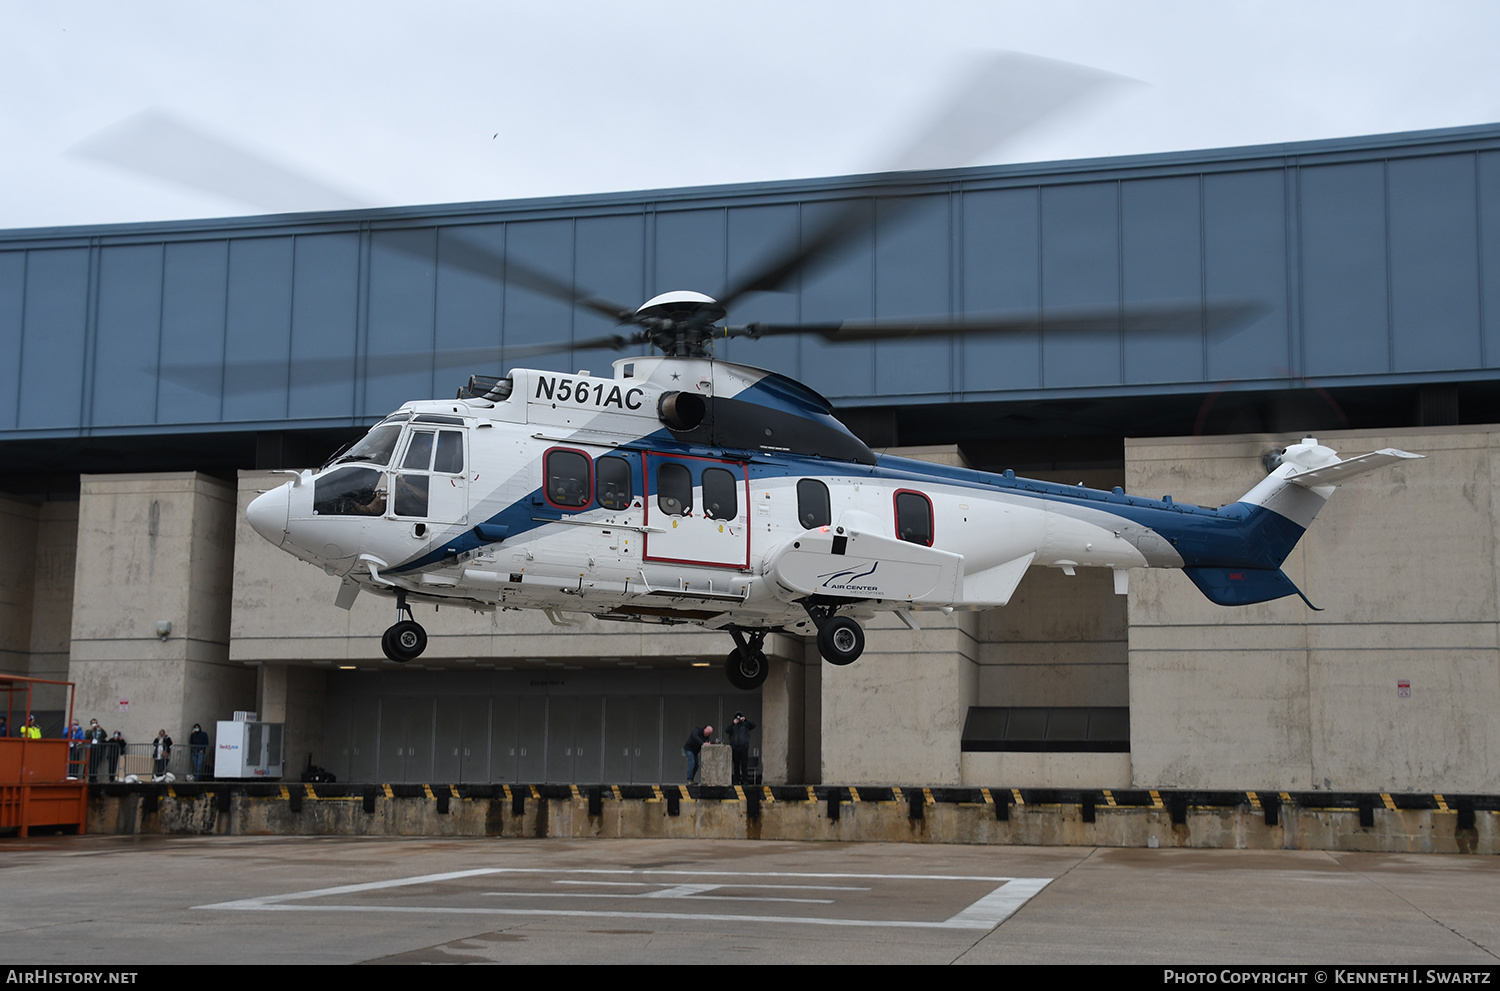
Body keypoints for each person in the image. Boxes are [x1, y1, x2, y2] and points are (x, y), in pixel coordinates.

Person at [726, 711, 757, 786]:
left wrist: (745, 720)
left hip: (744, 747)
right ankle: (736, 780)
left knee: (744, 764)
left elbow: (753, 725)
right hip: (735, 748)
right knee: (736, 765)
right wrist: (733, 723)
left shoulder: (745, 725)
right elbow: (726, 730)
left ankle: (745, 780)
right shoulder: (733, 726)